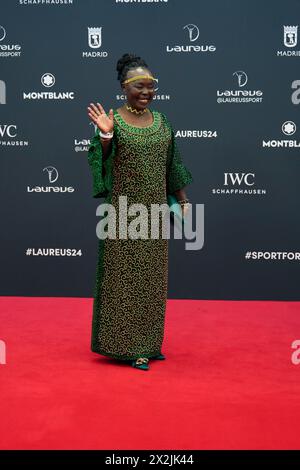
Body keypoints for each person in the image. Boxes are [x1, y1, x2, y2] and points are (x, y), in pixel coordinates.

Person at [86, 53, 193, 371]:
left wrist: (184, 202)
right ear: (124, 87)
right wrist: (105, 136)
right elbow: (98, 162)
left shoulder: (163, 122)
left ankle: (149, 343)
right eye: (140, 86)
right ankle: (127, 347)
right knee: (124, 280)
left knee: (152, 281)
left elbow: (173, 166)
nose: (147, 92)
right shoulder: (112, 121)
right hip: (122, 216)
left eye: (151, 86)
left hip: (155, 216)